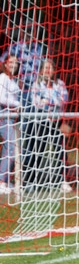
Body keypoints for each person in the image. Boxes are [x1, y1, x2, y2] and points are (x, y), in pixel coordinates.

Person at [25, 58, 72, 192]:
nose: (48, 70)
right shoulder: (36, 85)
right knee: (37, 151)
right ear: (41, 71)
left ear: (54, 70)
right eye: (45, 68)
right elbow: (36, 103)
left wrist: (47, 100)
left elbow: (64, 100)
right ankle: (29, 181)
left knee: (60, 151)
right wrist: (50, 102)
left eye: (50, 68)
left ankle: (62, 181)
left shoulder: (60, 84)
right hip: (41, 121)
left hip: (57, 121)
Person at [0, 54, 21, 194]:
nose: (14, 65)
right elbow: (1, 98)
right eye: (11, 62)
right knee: (11, 147)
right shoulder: (3, 78)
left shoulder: (14, 80)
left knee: (12, 148)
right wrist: (17, 104)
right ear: (6, 64)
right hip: (3, 116)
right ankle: (1, 181)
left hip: (12, 118)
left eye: (16, 63)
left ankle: (5, 181)